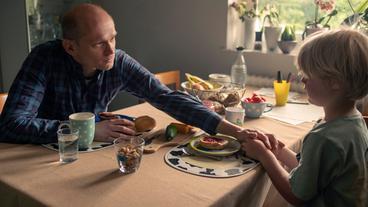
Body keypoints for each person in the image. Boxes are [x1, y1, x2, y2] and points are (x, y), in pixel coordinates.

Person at [0, 3, 277, 149]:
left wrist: (235, 131)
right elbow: (11, 125)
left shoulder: (118, 62)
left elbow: (166, 98)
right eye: (99, 44)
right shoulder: (43, 59)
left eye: (114, 38)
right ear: (71, 47)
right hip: (39, 158)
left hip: (92, 156)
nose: (112, 50)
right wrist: (89, 131)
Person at [242, 29, 368, 206]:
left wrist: (265, 156)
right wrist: (278, 151)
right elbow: (311, 170)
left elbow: (297, 194)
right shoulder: (355, 122)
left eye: (308, 75)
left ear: (335, 82)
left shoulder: (325, 138)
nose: (302, 80)